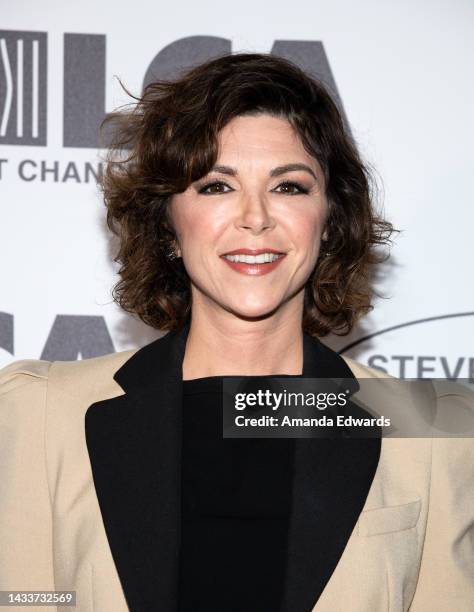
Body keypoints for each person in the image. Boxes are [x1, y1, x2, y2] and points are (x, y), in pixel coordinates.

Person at [0, 52, 473, 612]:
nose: (255, 217)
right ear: (169, 226)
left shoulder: (432, 431)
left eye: (289, 187)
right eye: (215, 186)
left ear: (329, 219)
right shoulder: (43, 414)